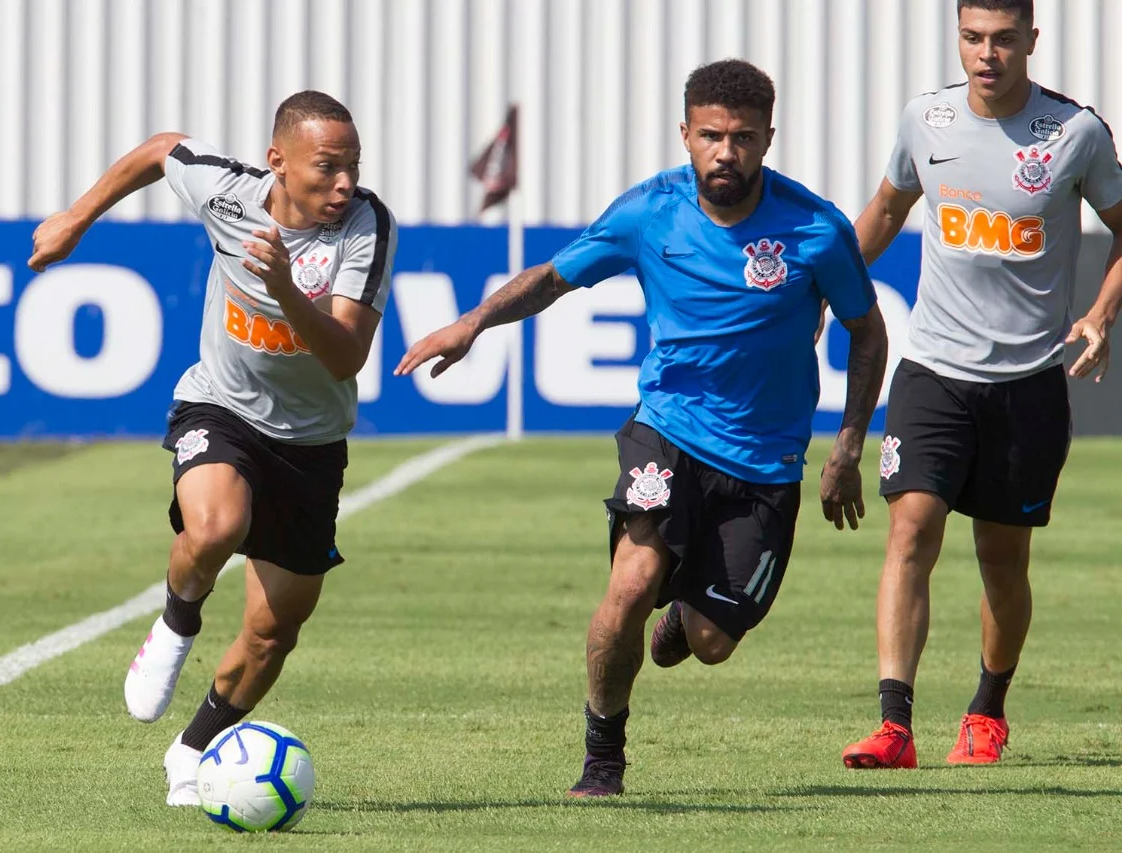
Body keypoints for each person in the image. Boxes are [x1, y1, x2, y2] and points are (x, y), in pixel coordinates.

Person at [397, 59, 889, 796]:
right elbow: (555, 278)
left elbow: (868, 332)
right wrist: (472, 323)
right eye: (712, 135)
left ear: (768, 139)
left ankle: (686, 614)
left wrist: (848, 447)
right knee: (629, 585)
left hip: (765, 462)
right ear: (685, 133)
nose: (727, 151)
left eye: (745, 137)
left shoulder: (815, 229)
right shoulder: (648, 212)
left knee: (712, 643)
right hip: (666, 431)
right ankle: (603, 757)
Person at [27, 90, 397, 804]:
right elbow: (161, 147)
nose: (345, 183)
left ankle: (190, 750)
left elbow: (346, 355)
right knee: (216, 525)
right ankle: (175, 621)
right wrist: (75, 220)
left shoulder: (366, 227)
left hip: (311, 444)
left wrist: (286, 288)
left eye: (353, 166)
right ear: (277, 162)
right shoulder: (228, 191)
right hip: (220, 406)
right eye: (327, 167)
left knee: (271, 634)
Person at [841, 0, 1122, 769]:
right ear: (957, 39)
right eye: (972, 38)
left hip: (1026, 387)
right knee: (910, 530)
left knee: (1003, 560)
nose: (986, 54)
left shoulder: (1076, 133)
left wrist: (1101, 313)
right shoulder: (923, 121)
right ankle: (895, 725)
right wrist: (822, 287)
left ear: (1032, 39)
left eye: (1002, 39)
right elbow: (886, 209)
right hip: (932, 370)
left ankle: (987, 707)